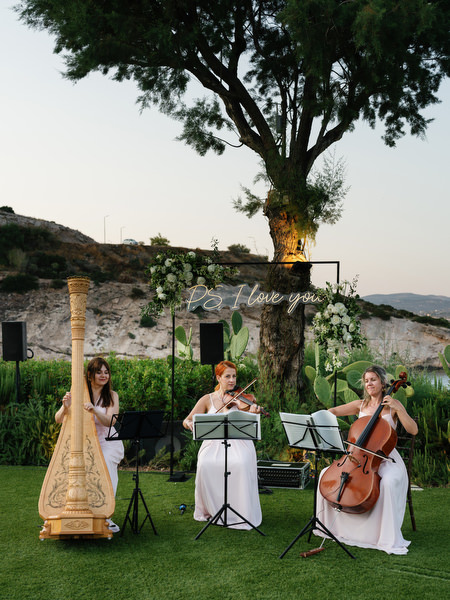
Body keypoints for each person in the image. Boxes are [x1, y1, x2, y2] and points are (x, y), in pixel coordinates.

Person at [315, 365, 418, 554]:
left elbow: (413, 430)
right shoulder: (360, 405)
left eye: (373, 379)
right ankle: (330, 527)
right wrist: (319, 420)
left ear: (382, 382)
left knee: (386, 482)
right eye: (367, 380)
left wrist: (398, 409)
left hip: (386, 459)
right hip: (358, 458)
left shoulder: (393, 405)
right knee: (324, 473)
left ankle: (384, 535)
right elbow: (332, 412)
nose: (369, 383)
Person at [183, 360, 262, 530]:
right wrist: (189, 424)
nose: (232, 380)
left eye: (234, 376)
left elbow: (248, 419)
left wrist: (254, 412)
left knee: (240, 463)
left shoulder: (243, 399)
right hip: (212, 443)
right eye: (228, 376)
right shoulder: (207, 399)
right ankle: (212, 509)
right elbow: (187, 419)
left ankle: (240, 511)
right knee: (204, 463)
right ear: (218, 378)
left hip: (239, 442)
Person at [55, 357, 124, 533]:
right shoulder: (78, 393)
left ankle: (105, 516)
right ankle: (79, 514)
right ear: (89, 374)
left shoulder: (112, 396)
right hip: (84, 442)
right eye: (99, 371)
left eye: (106, 372)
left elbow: (110, 422)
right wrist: (65, 407)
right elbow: (58, 419)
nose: (103, 375)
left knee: (106, 467)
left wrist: (94, 409)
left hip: (107, 442)